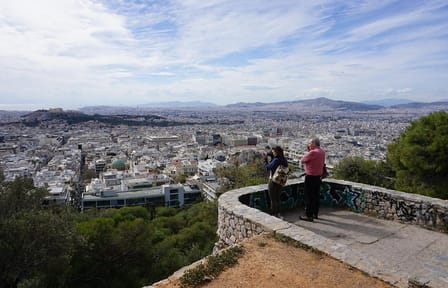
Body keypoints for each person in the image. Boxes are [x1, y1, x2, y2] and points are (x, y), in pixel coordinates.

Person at [300, 137, 326, 222]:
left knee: (309, 196)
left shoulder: (313, 152)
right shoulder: (322, 152)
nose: (309, 145)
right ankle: (315, 213)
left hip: (310, 177)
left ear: (314, 144)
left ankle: (309, 215)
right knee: (316, 196)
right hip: (318, 177)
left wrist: (309, 150)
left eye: (310, 143)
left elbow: (303, 160)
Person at [263, 146, 288, 217]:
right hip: (280, 181)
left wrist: (265, 161)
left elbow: (268, 167)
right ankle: (278, 213)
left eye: (273, 152)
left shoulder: (276, 160)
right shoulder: (284, 159)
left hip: (273, 181)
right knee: (277, 198)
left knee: (273, 198)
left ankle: (274, 214)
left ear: (276, 152)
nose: (272, 153)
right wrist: (270, 152)